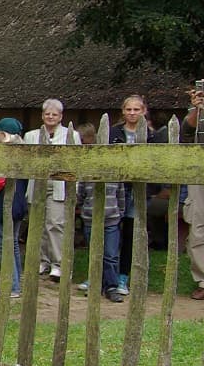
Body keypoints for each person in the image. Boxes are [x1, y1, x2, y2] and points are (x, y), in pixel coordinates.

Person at [107, 94, 166, 295]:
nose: (132, 113)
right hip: (116, 189)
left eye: (136, 110)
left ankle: (123, 277)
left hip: (138, 191)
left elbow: (157, 164)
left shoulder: (152, 136)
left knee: (131, 232)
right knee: (110, 231)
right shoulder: (113, 132)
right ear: (123, 112)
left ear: (144, 111)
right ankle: (107, 275)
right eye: (128, 109)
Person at [24, 98, 81, 281]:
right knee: (38, 224)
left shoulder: (71, 135)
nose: (50, 117)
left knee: (55, 224)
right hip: (37, 184)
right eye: (47, 114)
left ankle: (59, 264)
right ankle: (42, 261)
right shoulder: (31, 135)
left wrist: (75, 189)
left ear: (61, 116)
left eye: (54, 114)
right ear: (42, 115)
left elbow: (77, 163)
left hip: (60, 186)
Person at [0, 119, 28, 299]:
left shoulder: (8, 154)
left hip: (7, 205)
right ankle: (15, 284)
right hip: (19, 205)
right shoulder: (24, 152)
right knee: (13, 245)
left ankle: (11, 286)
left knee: (6, 246)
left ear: (4, 134)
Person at [76, 175, 129, 303]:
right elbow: (80, 196)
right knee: (95, 255)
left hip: (111, 220)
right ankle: (95, 285)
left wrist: (119, 213)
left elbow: (121, 196)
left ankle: (111, 287)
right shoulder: (87, 175)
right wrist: (85, 212)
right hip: (90, 220)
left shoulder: (116, 175)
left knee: (111, 255)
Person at [182, 86, 204, 300]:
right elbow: (184, 134)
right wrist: (197, 108)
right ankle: (203, 281)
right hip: (199, 173)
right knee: (198, 226)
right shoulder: (197, 110)